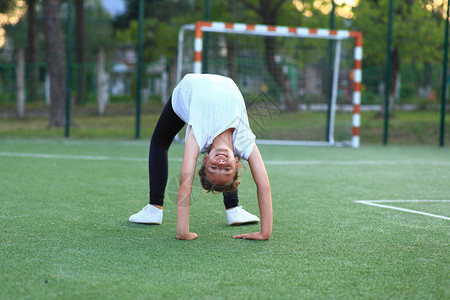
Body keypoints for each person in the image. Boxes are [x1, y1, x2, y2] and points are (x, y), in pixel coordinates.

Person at [129, 73, 272, 240]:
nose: (220, 162)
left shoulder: (199, 134)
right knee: (224, 176)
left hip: (187, 93)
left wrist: (183, 231)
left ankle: (154, 208)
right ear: (236, 161)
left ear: (204, 160)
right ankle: (234, 209)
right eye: (227, 168)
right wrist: (265, 232)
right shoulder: (244, 141)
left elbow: (185, 182)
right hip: (223, 82)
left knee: (160, 142)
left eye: (213, 167)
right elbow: (263, 184)